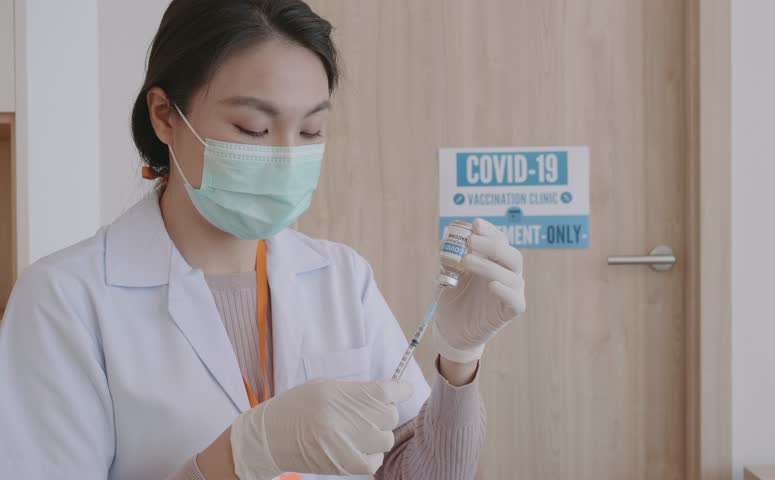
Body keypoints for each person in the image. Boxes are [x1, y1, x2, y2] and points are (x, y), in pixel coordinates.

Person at [0, 1, 526, 479]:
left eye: (311, 132)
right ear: (165, 115)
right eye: (254, 128)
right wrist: (240, 455)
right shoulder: (66, 300)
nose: (284, 155)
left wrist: (459, 358)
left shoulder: (341, 278)